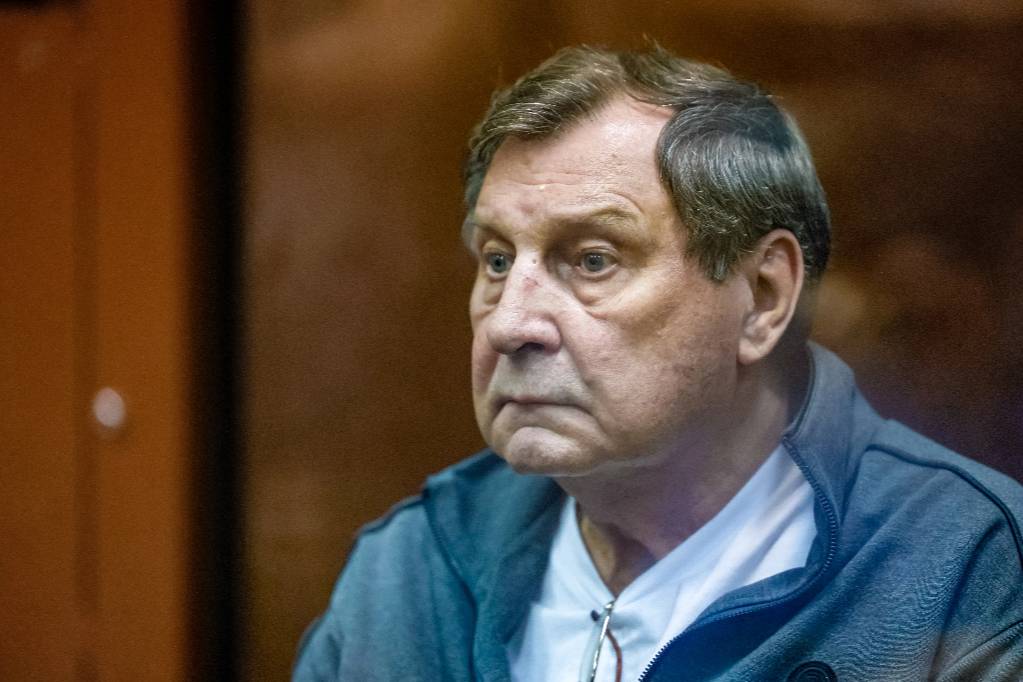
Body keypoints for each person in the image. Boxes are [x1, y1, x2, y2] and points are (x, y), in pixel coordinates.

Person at [293, 46, 1023, 681]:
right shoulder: (412, 570)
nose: (511, 324)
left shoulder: (966, 566)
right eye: (496, 259)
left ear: (762, 297)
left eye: (593, 259)